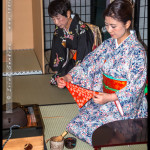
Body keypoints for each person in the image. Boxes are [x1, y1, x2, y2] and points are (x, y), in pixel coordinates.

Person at [56, 0, 148, 146]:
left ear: (127, 24)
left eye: (113, 26)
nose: (109, 30)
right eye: (106, 25)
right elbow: (89, 64)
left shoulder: (137, 52)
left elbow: (135, 88)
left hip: (124, 107)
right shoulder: (108, 45)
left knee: (95, 133)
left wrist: (110, 97)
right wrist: (68, 77)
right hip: (106, 98)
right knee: (75, 125)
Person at [48, 0, 94, 85]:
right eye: (53, 19)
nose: (56, 22)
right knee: (57, 79)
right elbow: (57, 51)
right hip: (73, 59)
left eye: (58, 18)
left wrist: (73, 74)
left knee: (75, 80)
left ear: (68, 14)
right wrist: (58, 72)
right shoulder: (59, 30)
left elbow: (84, 53)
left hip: (85, 56)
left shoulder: (82, 29)